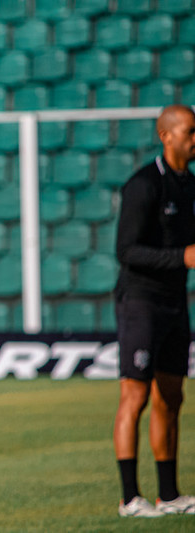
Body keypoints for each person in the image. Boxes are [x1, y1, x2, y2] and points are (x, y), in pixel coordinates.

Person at [113, 104, 195, 517]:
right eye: (190, 132)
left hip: (175, 302)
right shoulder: (144, 185)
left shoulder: (190, 185)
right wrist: (182, 256)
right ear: (166, 135)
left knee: (172, 396)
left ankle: (169, 494)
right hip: (140, 302)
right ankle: (130, 497)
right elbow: (125, 251)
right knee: (136, 395)